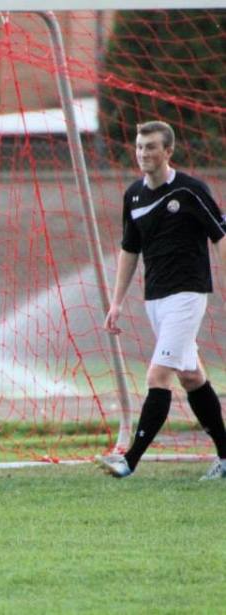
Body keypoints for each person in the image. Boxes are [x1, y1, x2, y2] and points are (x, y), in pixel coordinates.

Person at [96, 121, 226, 480]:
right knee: (192, 377)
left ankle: (129, 461)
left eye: (151, 147)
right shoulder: (133, 196)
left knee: (158, 375)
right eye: (140, 147)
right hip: (155, 299)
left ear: (168, 151)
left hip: (188, 294)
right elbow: (129, 250)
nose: (143, 153)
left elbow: (220, 236)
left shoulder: (190, 190)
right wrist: (117, 302)